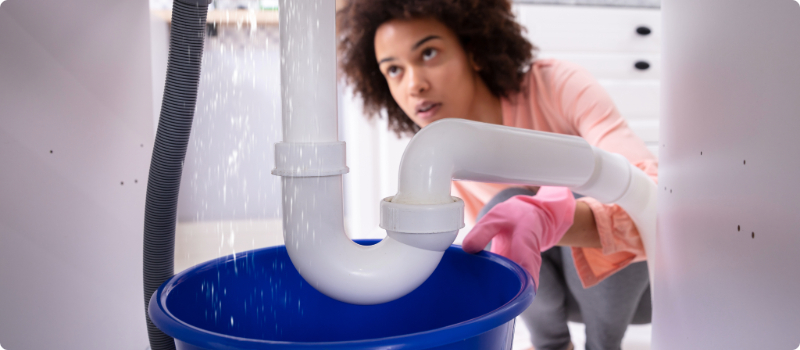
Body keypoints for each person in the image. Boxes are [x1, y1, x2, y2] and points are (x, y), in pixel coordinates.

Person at [337, 1, 657, 349]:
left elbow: (652, 191)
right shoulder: (444, 157)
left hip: (644, 287)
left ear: (473, 51)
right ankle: (551, 344)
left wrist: (558, 216)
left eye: (428, 53)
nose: (414, 85)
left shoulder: (556, 86)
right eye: (394, 70)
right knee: (502, 209)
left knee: (581, 186)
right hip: (560, 302)